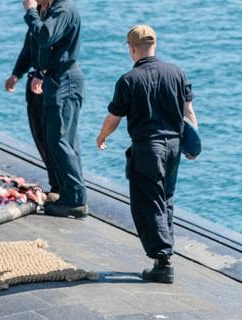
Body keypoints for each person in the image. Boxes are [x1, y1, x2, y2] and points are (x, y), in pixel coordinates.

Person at [94, 25, 196, 284]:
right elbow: (189, 114)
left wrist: (102, 136)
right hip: (173, 146)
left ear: (131, 49)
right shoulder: (177, 73)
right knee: (165, 198)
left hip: (148, 147)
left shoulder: (129, 80)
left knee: (147, 203)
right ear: (155, 45)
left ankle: (163, 261)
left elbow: (114, 117)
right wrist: (193, 146)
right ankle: (164, 255)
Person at [22, 0, 86, 218]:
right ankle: (66, 191)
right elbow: (36, 46)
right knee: (57, 139)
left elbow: (44, 36)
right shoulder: (50, 10)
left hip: (65, 79)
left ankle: (76, 199)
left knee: (60, 140)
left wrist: (31, 12)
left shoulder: (63, 10)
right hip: (55, 78)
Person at [4, 0, 57, 199]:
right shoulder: (39, 16)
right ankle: (55, 183)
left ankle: (60, 187)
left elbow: (49, 43)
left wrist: (31, 11)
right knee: (39, 135)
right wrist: (16, 74)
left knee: (52, 137)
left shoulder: (55, 15)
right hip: (34, 81)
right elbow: (29, 48)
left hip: (47, 83)